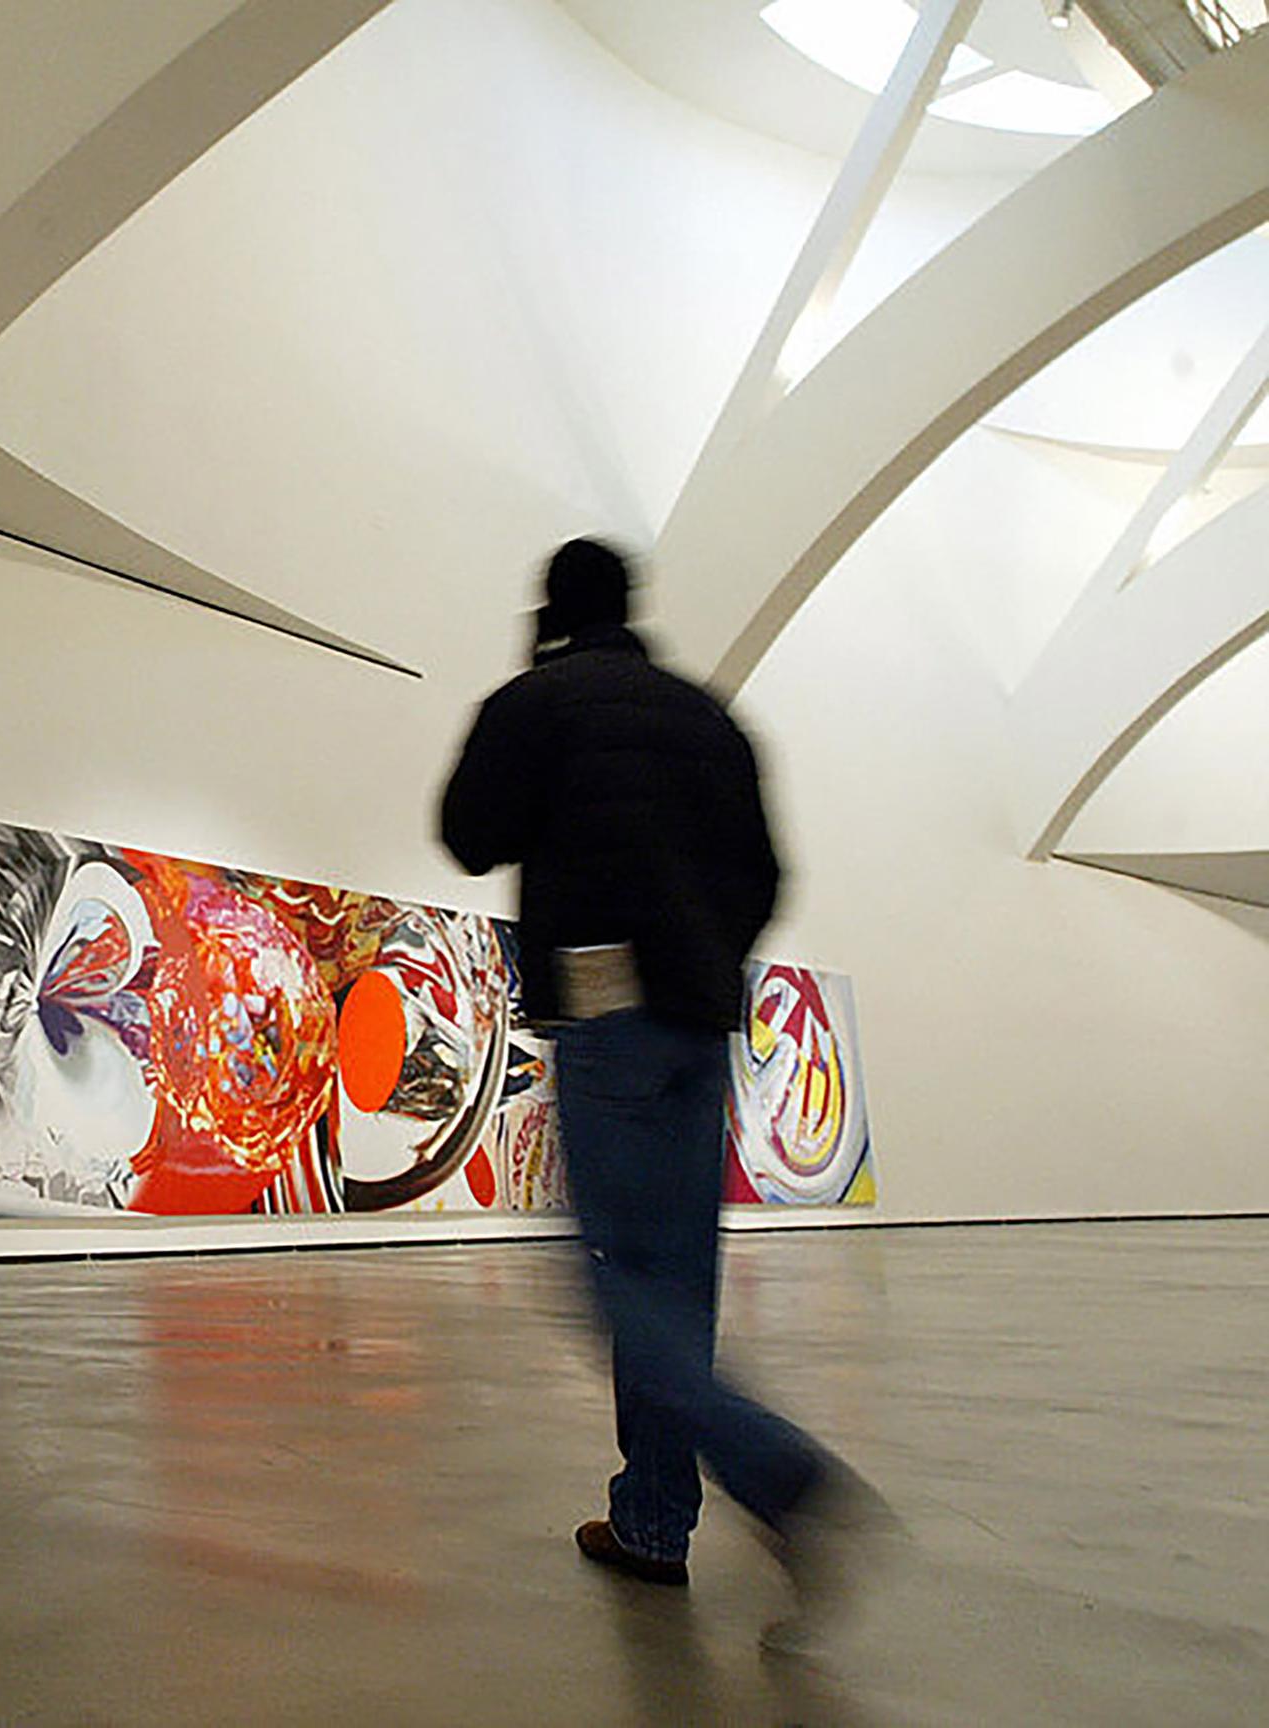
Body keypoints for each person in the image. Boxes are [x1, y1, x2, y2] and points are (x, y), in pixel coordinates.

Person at [437, 537, 882, 1648]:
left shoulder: (539, 699)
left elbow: (465, 833)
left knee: (611, 1281)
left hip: (606, 1006)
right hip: (701, 1014)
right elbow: (768, 875)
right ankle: (648, 1523)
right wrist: (701, 955)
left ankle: (779, 1475)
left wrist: (530, 697)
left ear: (551, 611)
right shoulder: (708, 718)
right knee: (676, 1280)